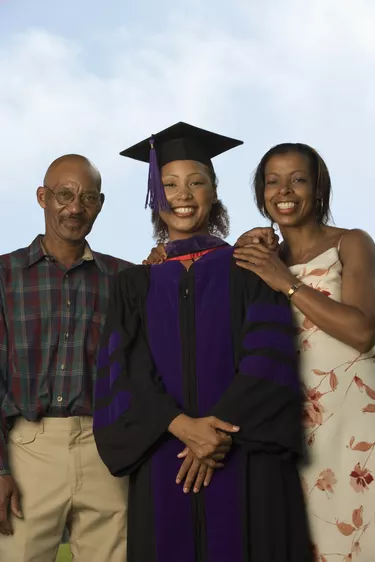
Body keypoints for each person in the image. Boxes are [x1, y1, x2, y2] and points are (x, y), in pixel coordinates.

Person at [93, 123, 312, 562]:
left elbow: (269, 358)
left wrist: (217, 431)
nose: (183, 194)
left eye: (197, 182)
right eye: (169, 185)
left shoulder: (250, 266)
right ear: (156, 198)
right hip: (165, 456)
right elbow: (125, 368)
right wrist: (180, 426)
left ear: (214, 191)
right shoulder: (135, 284)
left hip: (247, 455)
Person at [230, 143, 375, 561]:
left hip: (354, 426)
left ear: (318, 188)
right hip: (291, 426)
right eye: (272, 181)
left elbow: (363, 331)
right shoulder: (258, 260)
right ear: (261, 193)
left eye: (298, 179)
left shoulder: (350, 243)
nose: (284, 190)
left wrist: (287, 282)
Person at [0, 154, 131, 562]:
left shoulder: (124, 280)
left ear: (100, 203)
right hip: (27, 449)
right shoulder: (5, 276)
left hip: (104, 449)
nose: (75, 208)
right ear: (43, 197)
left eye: (87, 197)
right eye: (64, 195)